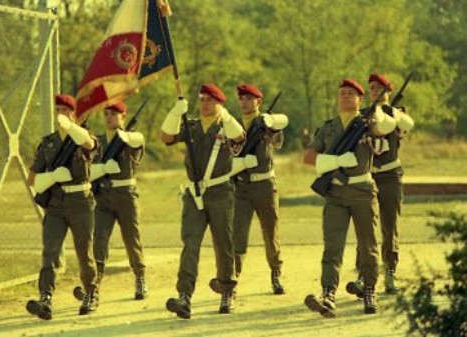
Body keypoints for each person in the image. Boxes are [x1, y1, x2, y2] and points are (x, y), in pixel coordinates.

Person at [303, 79, 396, 317]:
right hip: (334, 192)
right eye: (341, 93)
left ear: (360, 100)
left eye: (350, 94)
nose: (345, 96)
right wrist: (334, 161)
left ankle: (369, 289)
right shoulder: (328, 127)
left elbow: (383, 129)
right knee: (332, 247)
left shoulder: (367, 124)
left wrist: (377, 111)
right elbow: (309, 156)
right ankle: (328, 292)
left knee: (368, 245)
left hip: (362, 191)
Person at [162, 83, 245, 319]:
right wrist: (175, 113)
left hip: (220, 191)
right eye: (202, 99)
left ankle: (227, 290)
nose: (204, 103)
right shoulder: (191, 127)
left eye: (210, 100)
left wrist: (227, 117)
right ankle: (184, 296)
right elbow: (166, 137)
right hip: (194, 194)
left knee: (224, 243)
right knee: (190, 243)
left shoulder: (226, 126)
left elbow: (239, 137)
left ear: (220, 103)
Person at [209, 84, 288, 296]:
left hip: (264, 185)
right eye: (241, 99)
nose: (244, 102)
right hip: (240, 186)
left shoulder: (266, 123)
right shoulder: (231, 125)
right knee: (237, 234)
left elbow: (279, 136)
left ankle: (276, 272)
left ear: (258, 102)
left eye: (248, 99)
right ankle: (232, 280)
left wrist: (270, 123)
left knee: (271, 233)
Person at [25, 94, 99, 320]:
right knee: (51, 251)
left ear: (74, 114)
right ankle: (45, 297)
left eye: (66, 110)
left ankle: (90, 293)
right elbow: (32, 179)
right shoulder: (48, 142)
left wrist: (71, 126)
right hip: (55, 203)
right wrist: (52, 176)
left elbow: (89, 144)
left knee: (84, 251)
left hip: (80, 202)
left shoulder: (83, 136)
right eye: (58, 110)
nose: (61, 114)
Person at [346, 73, 415, 297]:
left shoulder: (397, 114)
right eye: (372, 88)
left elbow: (406, 126)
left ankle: (390, 272)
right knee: (365, 228)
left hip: (390, 176)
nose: (376, 91)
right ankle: (363, 275)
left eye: (380, 88)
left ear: (389, 92)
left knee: (389, 225)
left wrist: (388, 111)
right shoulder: (362, 115)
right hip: (368, 177)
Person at [72, 101, 148, 301]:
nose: (109, 117)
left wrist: (124, 135)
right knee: (99, 238)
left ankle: (140, 278)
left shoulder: (130, 139)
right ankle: (94, 285)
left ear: (123, 116)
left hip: (126, 195)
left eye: (114, 114)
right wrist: (104, 168)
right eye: (106, 113)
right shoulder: (98, 142)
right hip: (103, 197)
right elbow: (88, 173)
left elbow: (137, 140)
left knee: (132, 239)